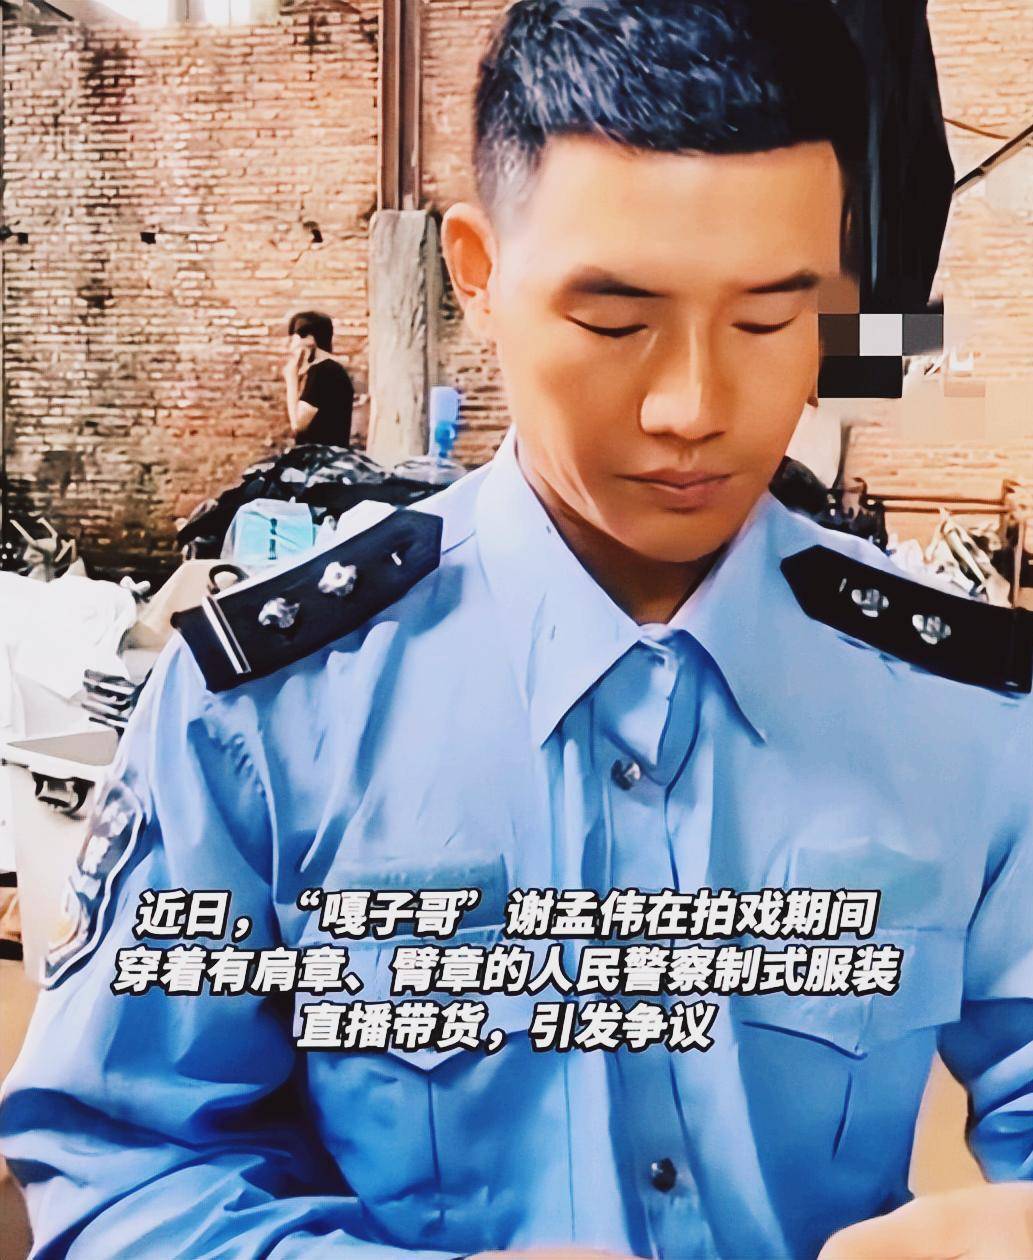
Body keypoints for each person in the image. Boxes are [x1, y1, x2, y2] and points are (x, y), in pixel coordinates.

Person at [3, 3, 1033, 1259]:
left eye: (770, 319)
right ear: (477, 275)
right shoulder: (264, 716)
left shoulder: (961, 711)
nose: (691, 407)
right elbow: (122, 1165)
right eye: (615, 320)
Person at [283, 309, 355, 446]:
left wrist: (291, 378)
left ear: (310, 340)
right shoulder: (330, 369)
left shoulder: (323, 372)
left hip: (322, 456)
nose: (289, 347)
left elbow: (298, 424)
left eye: (293, 339)